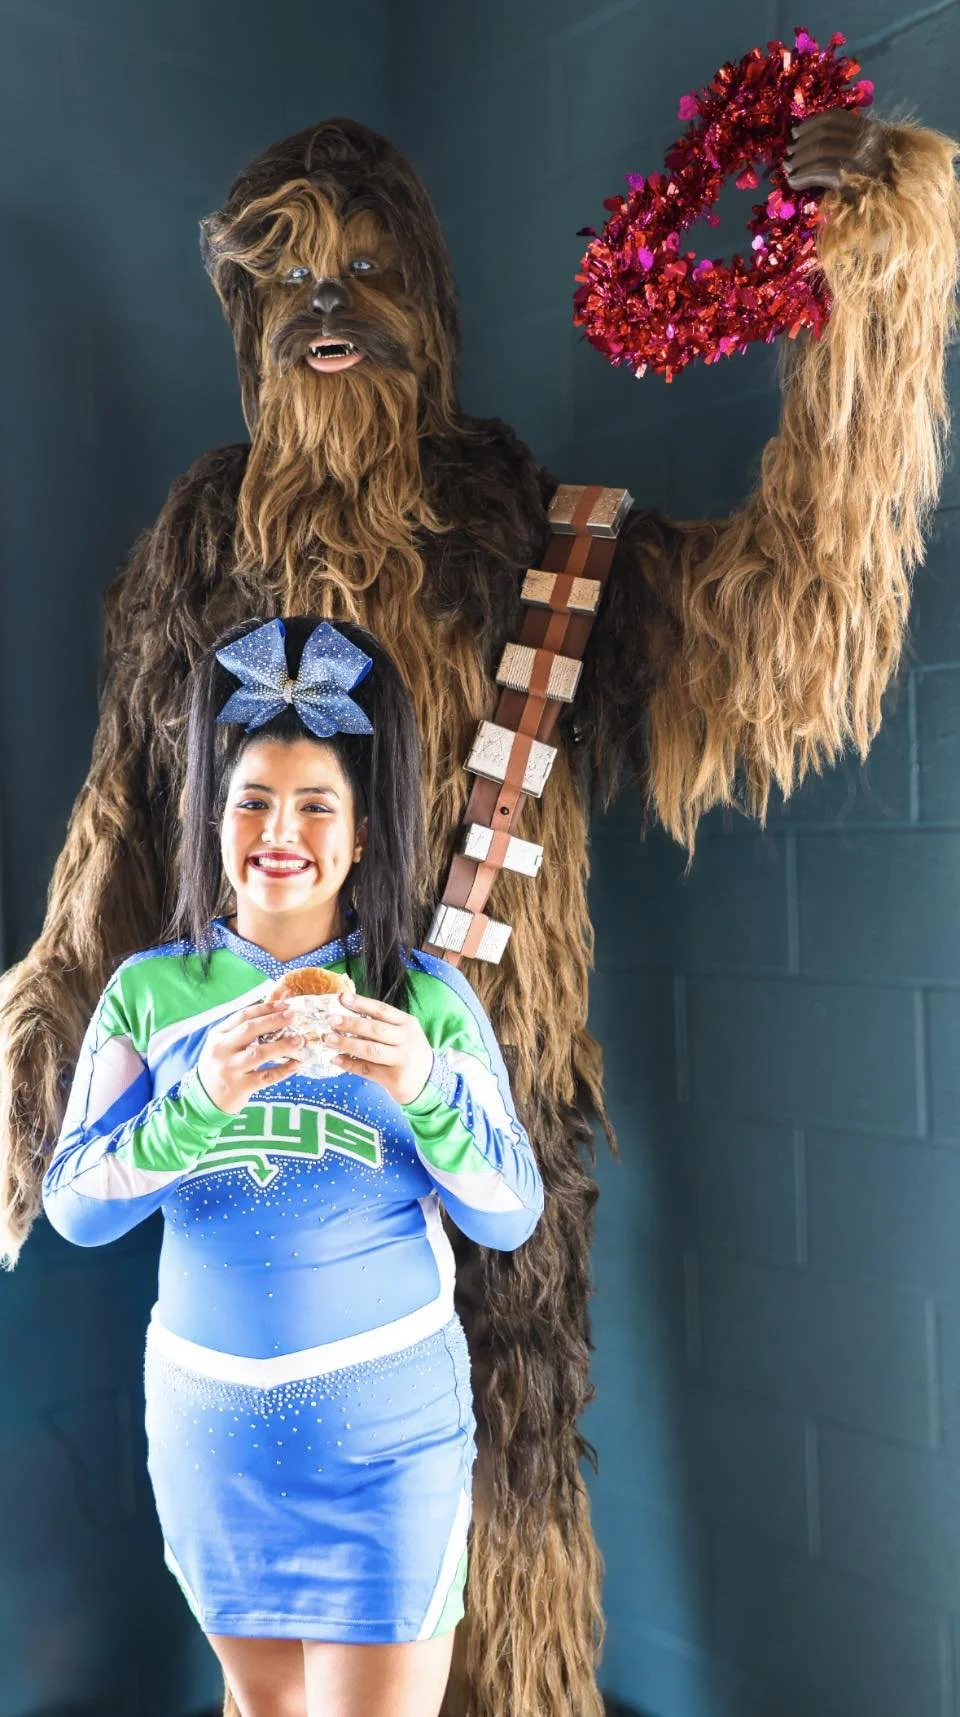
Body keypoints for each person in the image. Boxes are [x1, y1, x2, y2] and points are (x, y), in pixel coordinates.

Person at [41, 614, 543, 1717]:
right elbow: (74, 1208)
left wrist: (425, 1085)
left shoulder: (422, 1001)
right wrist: (196, 1102)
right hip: (210, 1442)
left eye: (318, 804)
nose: (282, 830)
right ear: (213, 822)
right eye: (253, 800)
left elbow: (511, 1213)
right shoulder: (150, 997)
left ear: (362, 835)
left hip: (387, 1445)